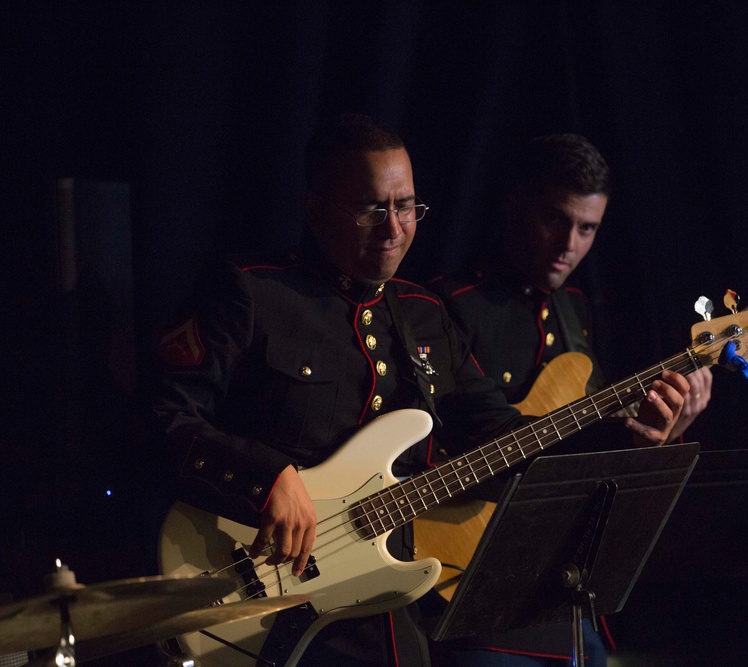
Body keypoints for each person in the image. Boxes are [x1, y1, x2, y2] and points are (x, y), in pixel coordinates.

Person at [148, 117, 693, 667]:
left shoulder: (422, 314)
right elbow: (160, 418)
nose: (393, 228)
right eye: (371, 207)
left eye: (406, 206)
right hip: (256, 587)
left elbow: (500, 438)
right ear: (315, 208)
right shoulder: (251, 291)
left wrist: (623, 431)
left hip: (386, 614)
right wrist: (266, 478)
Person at [428, 133, 712, 667]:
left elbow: (599, 450)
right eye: (555, 220)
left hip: (555, 574)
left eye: (588, 229)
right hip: (464, 570)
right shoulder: (450, 303)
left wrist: (664, 428)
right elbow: (465, 438)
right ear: (516, 205)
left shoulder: (575, 309)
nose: (569, 245)